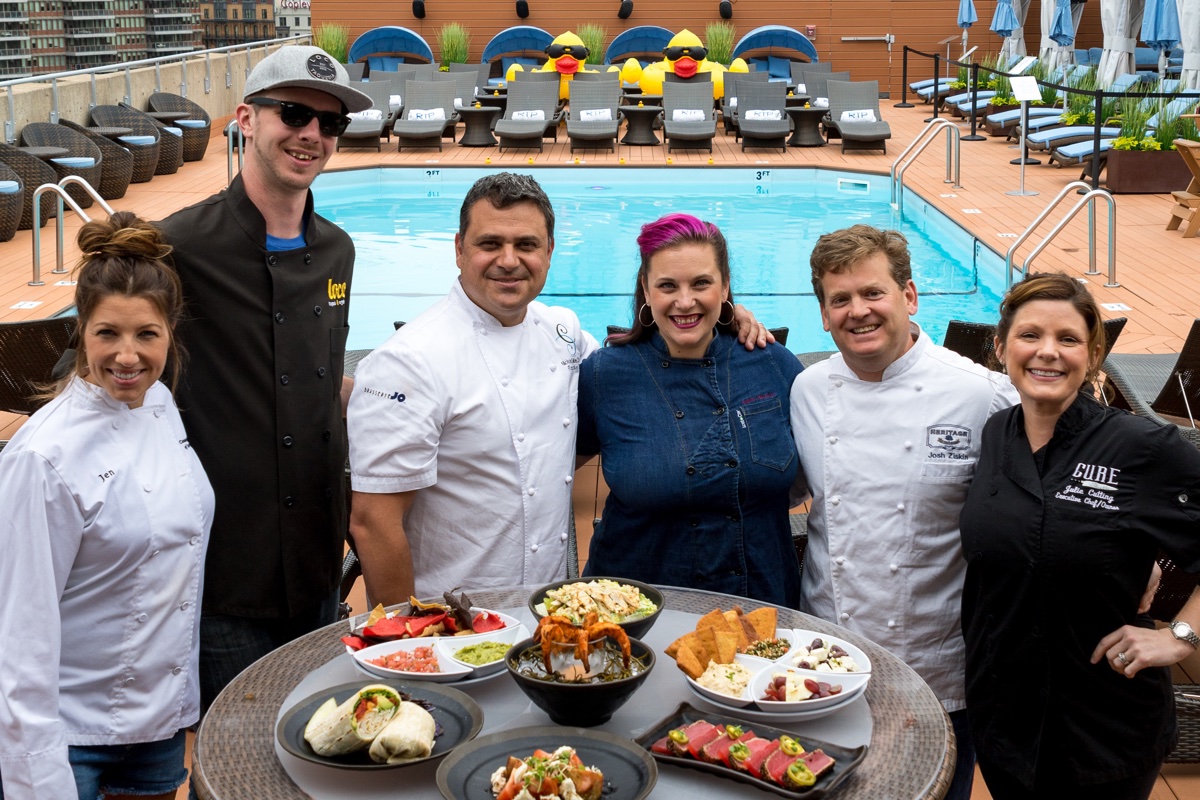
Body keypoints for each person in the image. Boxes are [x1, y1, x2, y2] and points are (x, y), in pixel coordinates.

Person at [348, 174, 772, 606]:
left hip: (551, 605)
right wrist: (404, 637)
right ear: (459, 248)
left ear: (549, 252)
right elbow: (373, 523)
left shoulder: (561, 331)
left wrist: (723, 314)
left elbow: (639, 369)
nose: (509, 260)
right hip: (451, 613)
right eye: (490, 243)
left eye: (527, 245)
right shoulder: (410, 360)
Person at [155, 45, 371, 714]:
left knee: (317, 743)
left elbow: (321, 376)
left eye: (330, 124)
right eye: (295, 114)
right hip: (223, 567)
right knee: (234, 758)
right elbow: (102, 372)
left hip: (316, 564)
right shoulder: (178, 247)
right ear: (247, 118)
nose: (312, 135)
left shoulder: (339, 250)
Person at [789, 224, 1017, 800]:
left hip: (936, 663)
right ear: (822, 313)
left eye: (873, 293)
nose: (857, 312)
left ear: (910, 297)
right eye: (839, 299)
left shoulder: (982, 395)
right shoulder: (808, 389)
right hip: (826, 653)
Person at [960, 273, 1200, 799]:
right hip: (1003, 716)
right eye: (1030, 336)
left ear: (1092, 354)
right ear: (1001, 348)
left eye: (1068, 339)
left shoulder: (1143, 447)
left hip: (1101, 731)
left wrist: (1179, 637)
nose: (1048, 352)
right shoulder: (996, 432)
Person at [0, 212, 214, 800]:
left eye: (146, 334)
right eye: (107, 334)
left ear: (170, 332)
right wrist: (36, 777)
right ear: (80, 332)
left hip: (159, 727)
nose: (127, 357)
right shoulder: (41, 459)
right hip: (69, 739)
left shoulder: (160, 404)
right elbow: (20, 637)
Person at [575, 213, 803, 607]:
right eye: (667, 285)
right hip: (635, 615)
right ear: (645, 290)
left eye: (701, 283)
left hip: (764, 608)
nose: (685, 301)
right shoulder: (604, 375)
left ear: (725, 286)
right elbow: (553, 476)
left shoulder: (774, 365)